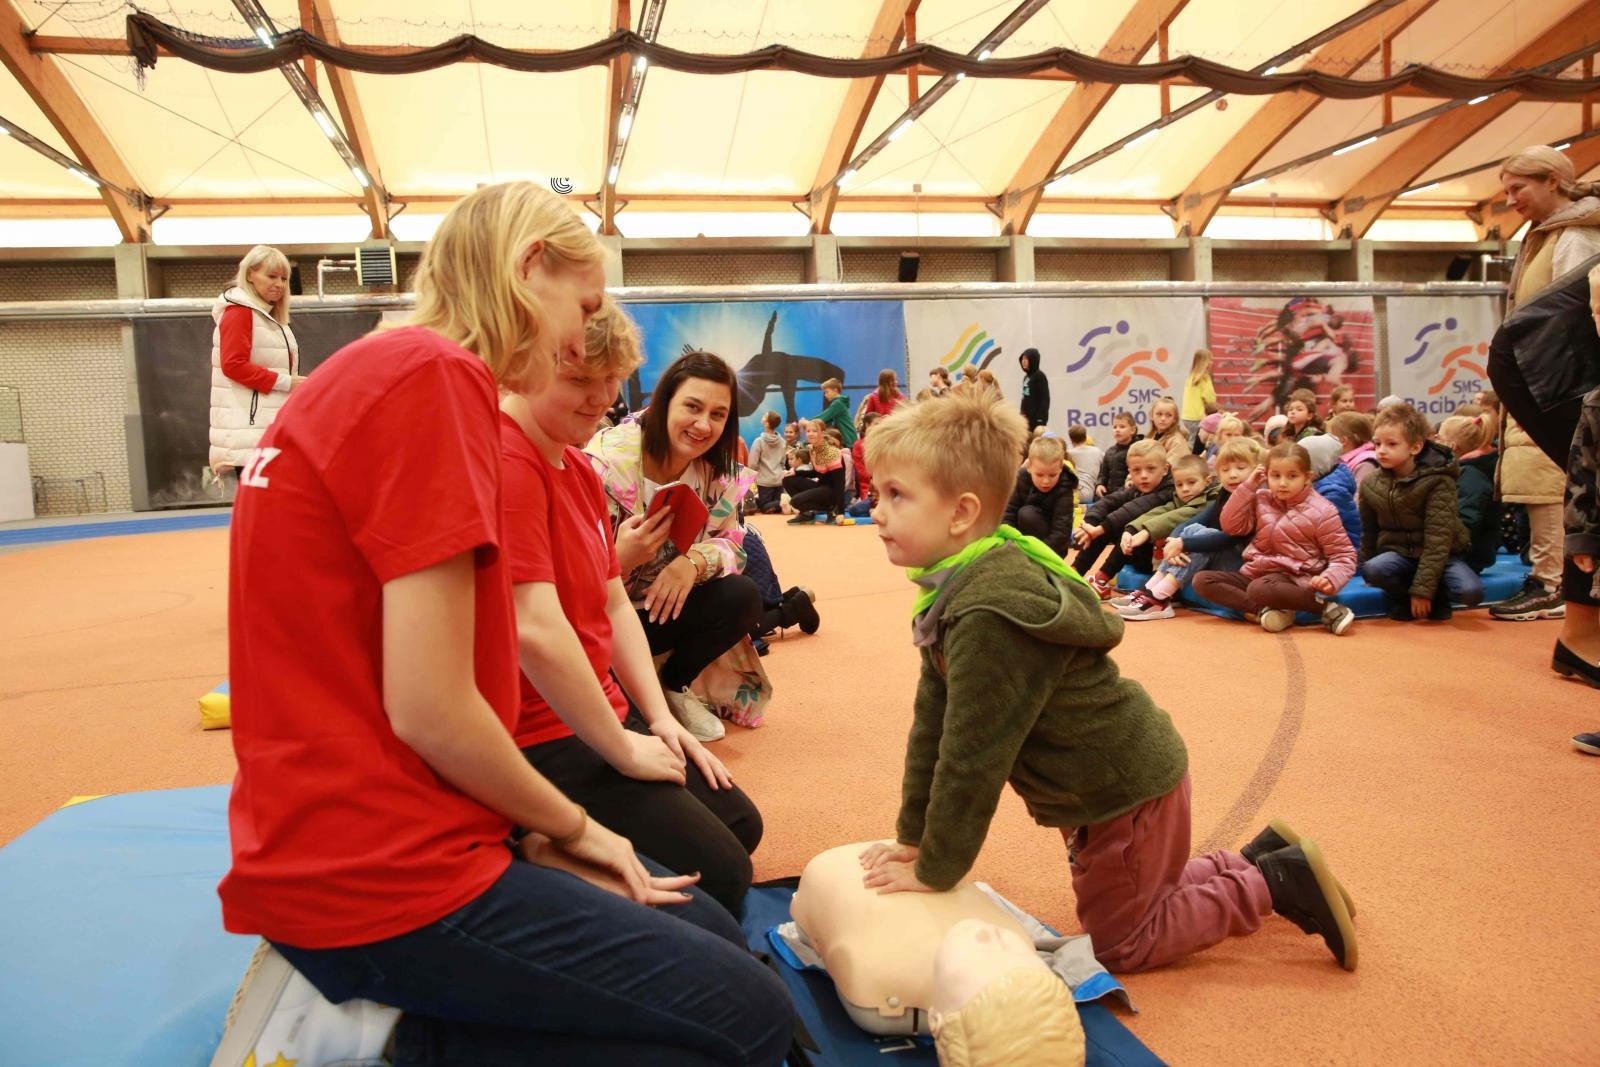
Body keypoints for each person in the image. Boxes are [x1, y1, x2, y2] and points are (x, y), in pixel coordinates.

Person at [214, 181, 794, 1065]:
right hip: (384, 875)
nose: (585, 342)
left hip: (380, 834)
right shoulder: (435, 378)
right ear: (528, 269)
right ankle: (399, 1038)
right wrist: (577, 828)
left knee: (717, 934)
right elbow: (433, 707)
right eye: (584, 306)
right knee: (749, 1020)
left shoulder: (368, 372)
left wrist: (533, 829)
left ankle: (411, 1017)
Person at [857, 389, 1358, 973]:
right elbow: (933, 726)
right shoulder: (955, 588)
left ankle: (1272, 883)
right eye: (877, 493)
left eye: (896, 495)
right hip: (1109, 790)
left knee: (1123, 943)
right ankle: (1257, 858)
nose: (877, 510)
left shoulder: (989, 612)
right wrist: (915, 837)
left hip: (1124, 794)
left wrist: (935, 867)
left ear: (962, 513)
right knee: (1132, 903)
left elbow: (973, 755)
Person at [499, 298, 765, 917]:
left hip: (606, 699)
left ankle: (664, 708)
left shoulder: (576, 468)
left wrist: (655, 717)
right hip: (546, 728)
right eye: (581, 380)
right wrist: (620, 746)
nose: (598, 400)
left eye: (610, 386)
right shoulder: (554, 461)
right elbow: (538, 627)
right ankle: (523, 841)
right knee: (721, 879)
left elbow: (610, 599)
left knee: (739, 829)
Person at [585, 351, 763, 743]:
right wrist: (618, 559)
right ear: (665, 402)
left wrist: (693, 563)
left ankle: (674, 683)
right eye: (693, 407)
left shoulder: (715, 471)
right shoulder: (602, 463)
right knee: (618, 728)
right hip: (600, 619)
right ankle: (626, 690)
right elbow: (559, 574)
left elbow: (735, 542)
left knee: (744, 596)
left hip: (659, 613)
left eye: (718, 414)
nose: (703, 425)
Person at [1487, 145, 1600, 672]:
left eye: (1519, 189)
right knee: (1567, 491)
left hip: (1567, 388)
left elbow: (1582, 320)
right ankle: (1575, 630)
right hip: (1546, 383)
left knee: (1575, 495)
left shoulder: (1576, 237)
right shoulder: (1546, 236)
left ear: (1554, 181)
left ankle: (1557, 592)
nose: (1510, 201)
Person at [1192, 441, 1358, 635]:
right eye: (1275, 476)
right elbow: (1232, 526)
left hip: (1293, 580)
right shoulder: (1261, 498)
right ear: (1266, 475)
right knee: (1202, 580)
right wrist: (1247, 488)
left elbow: (1344, 556)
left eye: (1292, 476)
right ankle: (1266, 610)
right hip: (1256, 575)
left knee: (1259, 588)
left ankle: (1327, 609)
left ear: (1307, 477)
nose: (1282, 483)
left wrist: (1330, 578)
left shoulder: (1323, 511)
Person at [1357, 403, 1482, 621]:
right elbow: (1369, 530)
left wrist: (1423, 591)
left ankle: (1437, 596)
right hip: (1398, 552)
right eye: (1377, 444)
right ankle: (1403, 599)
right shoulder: (1370, 483)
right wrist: (1368, 567)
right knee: (1373, 569)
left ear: (1415, 447)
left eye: (1391, 444)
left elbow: (1438, 539)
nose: (1381, 450)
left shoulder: (1439, 480)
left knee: (1471, 592)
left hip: (1441, 555)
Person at [1117, 438, 1263, 621]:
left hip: (1243, 567)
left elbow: (1230, 538)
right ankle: (1150, 590)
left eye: (1240, 468)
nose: (1232, 475)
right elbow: (1191, 522)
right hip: (1222, 559)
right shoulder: (1224, 494)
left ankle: (1159, 598)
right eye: (1225, 470)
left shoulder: (1256, 499)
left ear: (1257, 469)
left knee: (1204, 535)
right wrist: (1174, 542)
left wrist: (1184, 543)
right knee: (1194, 528)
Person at [208, 245, 303, 487]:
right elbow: (233, 365)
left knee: (270, 507)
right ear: (250, 274)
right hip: (250, 430)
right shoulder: (240, 312)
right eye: (271, 276)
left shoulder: (269, 317)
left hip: (261, 426)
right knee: (266, 507)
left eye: (284, 278)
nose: (279, 284)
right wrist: (288, 383)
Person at [1072, 440, 1173, 599]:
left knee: (1128, 526)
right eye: (1137, 471)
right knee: (1104, 520)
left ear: (1165, 469)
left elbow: (1135, 508)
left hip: (1154, 557)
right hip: (1134, 553)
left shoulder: (1169, 490)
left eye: (1151, 469)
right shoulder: (1136, 488)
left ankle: (1102, 580)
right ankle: (1074, 572)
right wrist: (1090, 524)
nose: (1144, 475)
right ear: (1130, 472)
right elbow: (1108, 501)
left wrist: (1099, 530)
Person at [1437, 413, 1501, 576]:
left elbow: (1466, 523)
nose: (1435, 441)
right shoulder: (1463, 471)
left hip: (1466, 556)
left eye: (1439, 438)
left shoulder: (1471, 477)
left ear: (1452, 446)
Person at [1001, 433, 1077, 557]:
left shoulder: (1065, 486)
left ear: (1060, 468)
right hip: (1021, 545)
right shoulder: (1019, 480)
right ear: (1029, 467)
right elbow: (1008, 517)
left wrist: (1037, 554)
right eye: (1040, 475)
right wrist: (1013, 547)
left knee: (1027, 513)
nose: (1046, 481)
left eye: (1052, 475)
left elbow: (1062, 532)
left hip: (1052, 550)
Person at [783, 417, 846, 524]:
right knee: (787, 480)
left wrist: (840, 511)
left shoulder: (832, 452)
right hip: (821, 487)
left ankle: (831, 509)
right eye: (808, 431)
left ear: (822, 433)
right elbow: (817, 472)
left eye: (814, 431)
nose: (810, 434)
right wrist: (796, 472)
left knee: (795, 501)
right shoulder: (812, 449)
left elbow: (839, 483)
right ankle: (807, 514)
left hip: (832, 492)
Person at [748, 410, 787, 514]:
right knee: (775, 507)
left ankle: (787, 501)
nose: (762, 416)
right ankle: (783, 502)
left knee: (764, 508)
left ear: (767, 423)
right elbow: (783, 462)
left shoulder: (759, 441)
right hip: (779, 479)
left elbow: (752, 463)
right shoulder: (783, 442)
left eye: (764, 415)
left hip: (764, 482)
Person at [1328, 411, 1379, 489]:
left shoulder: (1366, 463)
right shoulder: (1343, 459)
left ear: (1343, 440)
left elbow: (1360, 496)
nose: (1327, 440)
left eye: (1330, 436)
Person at [1095, 412, 1141, 498]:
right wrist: (1099, 485)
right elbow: (1103, 474)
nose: (1117, 430)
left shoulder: (1138, 450)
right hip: (1109, 496)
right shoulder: (1110, 451)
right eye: (1115, 427)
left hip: (1129, 495)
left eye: (1122, 427)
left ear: (1133, 430)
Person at [1181, 348, 1217, 434]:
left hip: (1187, 416)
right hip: (1198, 416)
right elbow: (1210, 398)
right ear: (1204, 362)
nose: (1212, 362)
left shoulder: (1191, 377)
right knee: (1197, 442)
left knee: (1193, 439)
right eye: (1210, 360)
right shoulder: (1204, 378)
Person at [1067, 425, 1103, 506]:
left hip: (1074, 495)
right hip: (1092, 494)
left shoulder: (1069, 454)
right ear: (1085, 436)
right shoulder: (1097, 451)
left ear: (1071, 439)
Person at [817, 377, 859, 446]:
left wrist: (808, 422)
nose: (825, 395)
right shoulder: (839, 402)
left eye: (827, 392)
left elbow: (824, 417)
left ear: (835, 390)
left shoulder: (838, 403)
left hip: (848, 439)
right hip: (848, 439)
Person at [1146, 396, 1189, 463]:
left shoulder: (1177, 442)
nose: (1163, 419)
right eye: (1159, 414)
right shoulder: (1149, 437)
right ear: (1151, 416)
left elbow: (1169, 468)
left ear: (1174, 419)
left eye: (1168, 415)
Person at [1019, 347, 1051, 432]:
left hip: (1036, 421)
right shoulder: (1026, 377)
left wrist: (1041, 419)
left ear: (1033, 360)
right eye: (1022, 359)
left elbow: (1045, 398)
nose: (1023, 361)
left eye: (1026, 359)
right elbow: (1024, 399)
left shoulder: (1040, 376)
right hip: (1025, 420)